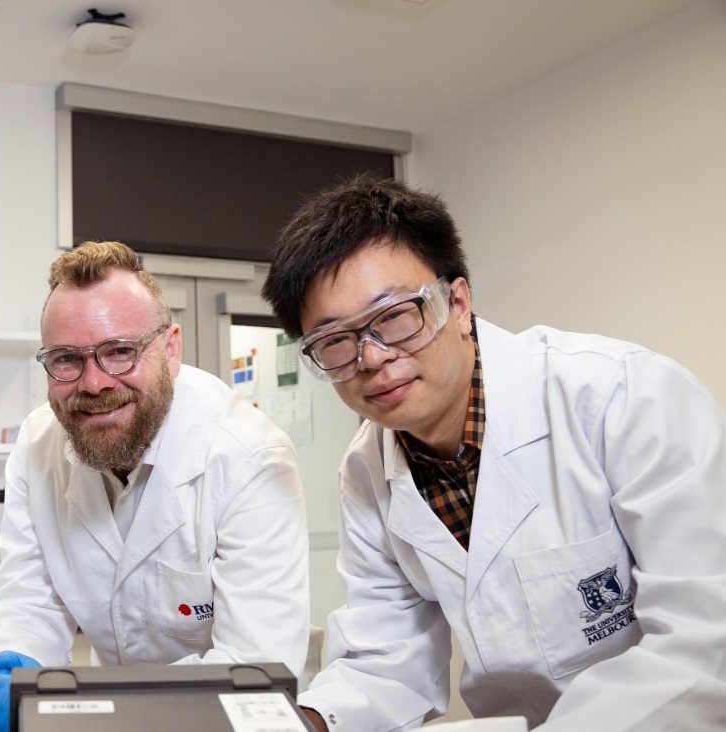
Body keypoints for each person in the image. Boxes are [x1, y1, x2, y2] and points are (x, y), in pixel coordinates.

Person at [260, 173, 726, 730]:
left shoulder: (624, 397)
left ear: (457, 303)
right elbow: (387, 663)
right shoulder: (366, 471)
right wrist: (300, 723)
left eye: (394, 317)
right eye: (335, 341)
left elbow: (705, 640)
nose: (372, 357)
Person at [0, 241, 312, 731]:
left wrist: (76, 710)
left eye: (119, 352)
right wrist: (20, 667)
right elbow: (31, 594)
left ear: (170, 349)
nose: (93, 383)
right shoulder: (38, 446)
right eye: (67, 359)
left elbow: (251, 671)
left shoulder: (248, 458)